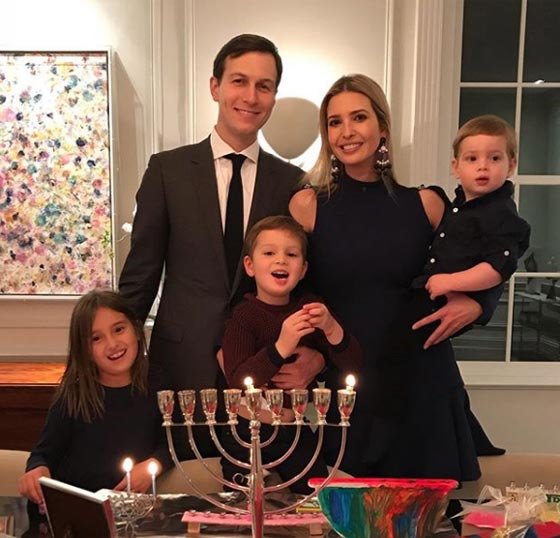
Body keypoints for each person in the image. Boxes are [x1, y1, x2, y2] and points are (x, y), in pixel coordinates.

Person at [289, 74, 504, 481]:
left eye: (359, 117)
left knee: (427, 513)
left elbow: (495, 255)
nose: (347, 131)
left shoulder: (427, 203)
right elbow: (290, 292)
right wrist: (308, 353)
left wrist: (478, 304)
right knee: (342, 511)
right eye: (335, 122)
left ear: (382, 127)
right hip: (349, 382)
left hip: (422, 381)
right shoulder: (306, 205)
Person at [118, 34, 324, 456]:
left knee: (262, 485)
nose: (250, 97)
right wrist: (113, 354)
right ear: (215, 86)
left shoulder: (293, 183)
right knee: (181, 485)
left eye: (264, 86)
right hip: (182, 367)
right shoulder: (167, 171)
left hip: (266, 370)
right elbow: (141, 276)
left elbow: (308, 278)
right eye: (239, 81)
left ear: (274, 96)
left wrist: (318, 357)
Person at [219, 215, 363, 493]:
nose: (281, 260)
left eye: (291, 254)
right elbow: (237, 379)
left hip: (295, 429)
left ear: (304, 268)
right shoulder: (243, 317)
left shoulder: (310, 309)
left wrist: (331, 327)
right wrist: (281, 346)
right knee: (245, 507)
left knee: (313, 501)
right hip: (246, 430)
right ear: (249, 266)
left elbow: (352, 363)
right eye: (269, 253)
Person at [384, 114, 531, 356]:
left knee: (398, 345)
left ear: (511, 166)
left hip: (441, 300)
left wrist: (452, 282)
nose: (483, 166)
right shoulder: (458, 206)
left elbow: (498, 267)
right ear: (456, 167)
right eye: (472, 158)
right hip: (427, 292)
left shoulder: (501, 214)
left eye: (495, 158)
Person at [18, 290, 170, 511]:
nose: (112, 344)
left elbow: (173, 445)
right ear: (85, 350)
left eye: (119, 329)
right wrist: (37, 471)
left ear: (137, 330)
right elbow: (43, 454)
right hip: (77, 513)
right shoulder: (73, 395)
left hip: (134, 514)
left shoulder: (159, 385)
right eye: (96, 338)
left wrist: (152, 465)